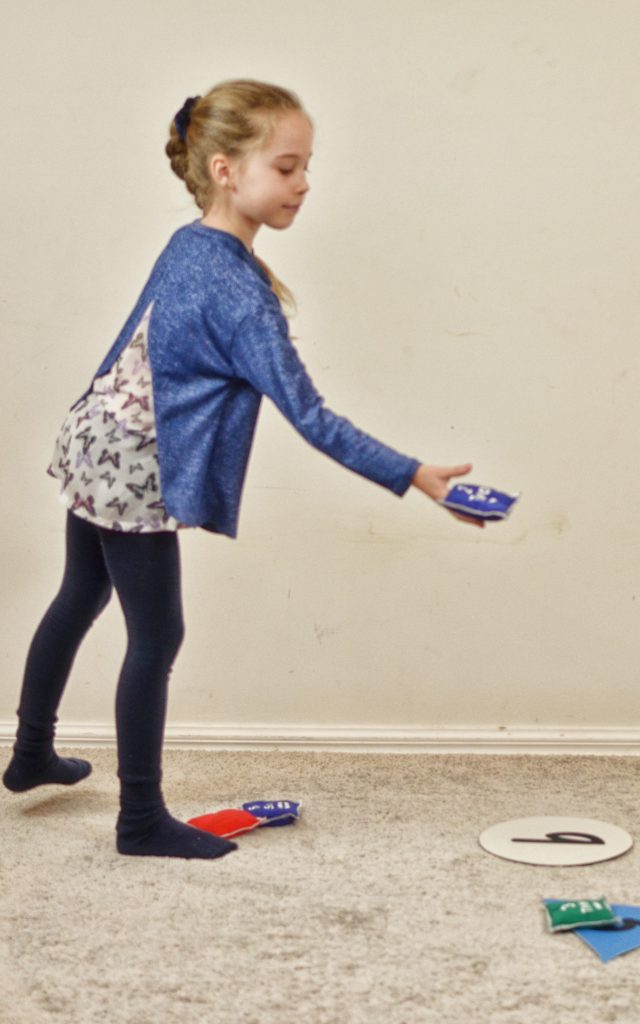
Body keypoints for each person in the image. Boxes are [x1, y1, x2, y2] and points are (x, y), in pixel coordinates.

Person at [3, 79, 481, 859]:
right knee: (158, 636)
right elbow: (311, 415)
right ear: (225, 169)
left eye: (306, 167)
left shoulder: (192, 239)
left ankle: (29, 756)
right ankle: (140, 821)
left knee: (80, 592)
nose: (304, 184)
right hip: (135, 460)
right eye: (287, 167)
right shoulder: (238, 291)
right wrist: (413, 473)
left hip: (94, 437)